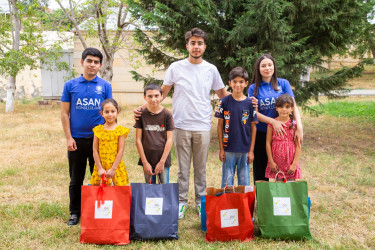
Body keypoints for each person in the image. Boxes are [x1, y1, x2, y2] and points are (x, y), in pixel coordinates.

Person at [134, 28, 230, 219]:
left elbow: (223, 95)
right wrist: (142, 107)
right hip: (180, 124)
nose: (196, 46)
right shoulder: (175, 67)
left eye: (200, 43)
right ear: (187, 45)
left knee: (200, 168)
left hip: (202, 125)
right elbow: (162, 91)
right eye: (193, 43)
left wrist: (243, 102)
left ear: (205, 46)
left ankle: (201, 202)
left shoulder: (211, 69)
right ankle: (181, 202)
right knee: (183, 168)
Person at [61, 47, 112, 226]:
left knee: (98, 177)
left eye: (96, 62)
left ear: (100, 65)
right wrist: (69, 137)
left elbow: (109, 113)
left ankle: (97, 210)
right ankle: (75, 212)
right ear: (82, 62)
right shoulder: (70, 85)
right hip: (77, 139)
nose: (92, 64)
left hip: (99, 140)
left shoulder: (105, 86)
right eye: (89, 61)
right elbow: (64, 114)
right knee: (76, 179)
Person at [248, 54, 303, 183]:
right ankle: (262, 200)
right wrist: (273, 122)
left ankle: (284, 200)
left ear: (274, 67)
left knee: (283, 171)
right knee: (261, 171)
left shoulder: (283, 83)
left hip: (284, 134)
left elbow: (293, 105)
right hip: (262, 132)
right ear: (258, 69)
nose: (267, 68)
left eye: (269, 65)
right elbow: (254, 113)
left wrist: (299, 127)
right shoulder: (253, 88)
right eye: (263, 66)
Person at [214, 67, 258, 188]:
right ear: (230, 83)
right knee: (227, 181)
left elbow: (254, 127)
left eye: (241, 82)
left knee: (244, 181)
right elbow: (219, 126)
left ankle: (242, 206)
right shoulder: (223, 102)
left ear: (246, 84)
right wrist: (221, 149)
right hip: (228, 149)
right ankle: (227, 205)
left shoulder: (250, 103)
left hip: (245, 149)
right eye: (235, 81)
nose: (238, 84)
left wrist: (251, 151)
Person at [135, 84, 174, 184]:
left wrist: (162, 162)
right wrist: (144, 162)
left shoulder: (167, 114)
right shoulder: (141, 115)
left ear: (161, 96)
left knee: (164, 187)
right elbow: (138, 140)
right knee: (149, 190)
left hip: (163, 159)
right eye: (150, 96)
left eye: (156, 96)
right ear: (145, 97)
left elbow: (170, 140)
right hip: (147, 158)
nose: (153, 99)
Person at [89, 98, 129, 186]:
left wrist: (113, 169)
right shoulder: (98, 130)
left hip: (115, 167)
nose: (110, 114)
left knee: (118, 195)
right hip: (101, 168)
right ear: (102, 113)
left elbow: (120, 151)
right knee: (100, 195)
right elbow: (95, 150)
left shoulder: (120, 131)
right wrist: (99, 168)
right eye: (106, 112)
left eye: (112, 111)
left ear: (117, 112)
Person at [265, 94, 302, 180]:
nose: (284, 109)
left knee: (290, 187)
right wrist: (271, 161)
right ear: (276, 108)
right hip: (277, 163)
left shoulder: (294, 125)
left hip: (290, 162)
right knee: (279, 187)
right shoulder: (272, 124)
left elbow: (298, 146)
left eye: (287, 107)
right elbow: (268, 143)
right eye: (281, 107)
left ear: (292, 108)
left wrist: (294, 164)